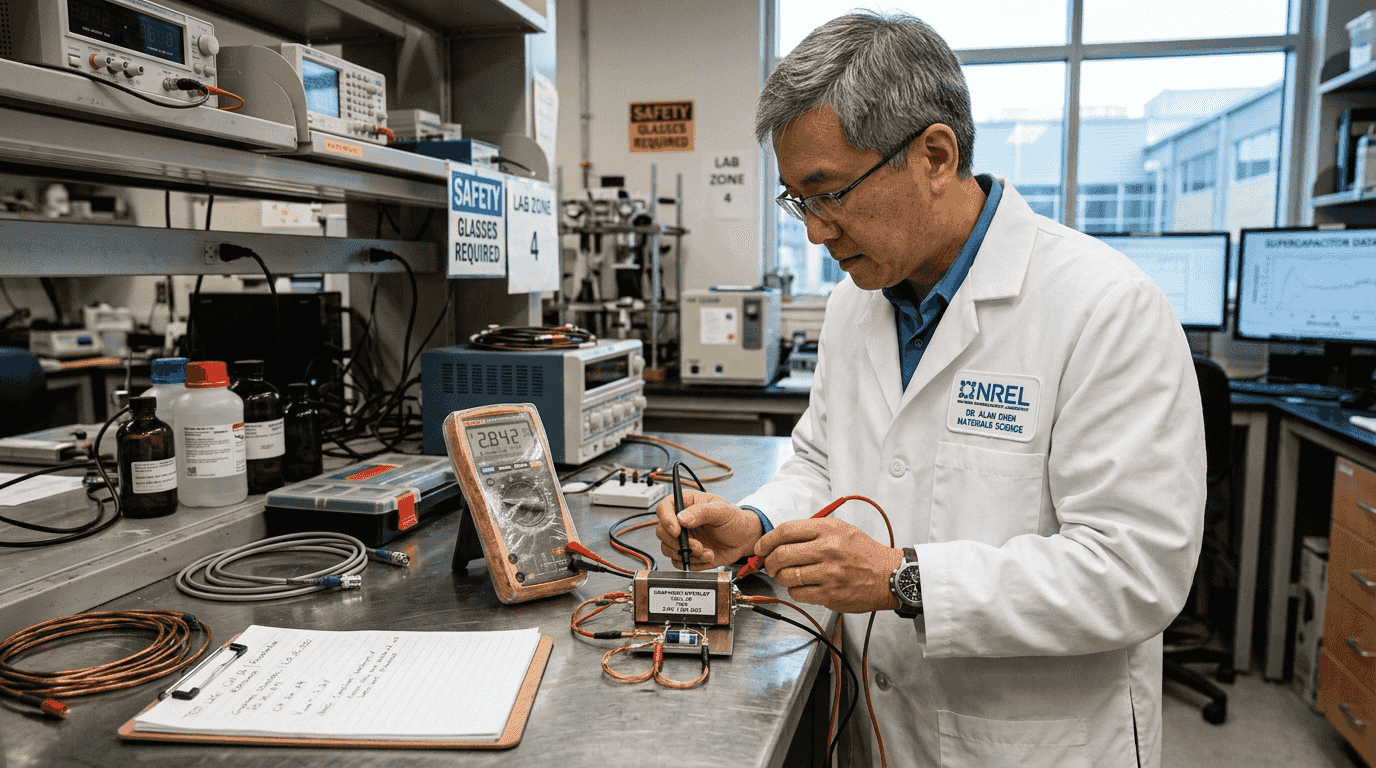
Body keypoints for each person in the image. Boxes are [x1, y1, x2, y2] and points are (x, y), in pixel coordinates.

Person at [655, 10, 1205, 767]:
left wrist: (903, 579)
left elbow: (1135, 572)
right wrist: (756, 522)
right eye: (798, 201)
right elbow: (823, 464)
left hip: (1032, 743)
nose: (815, 231)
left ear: (936, 156)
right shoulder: (855, 303)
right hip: (880, 722)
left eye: (828, 193)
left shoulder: (1104, 307)